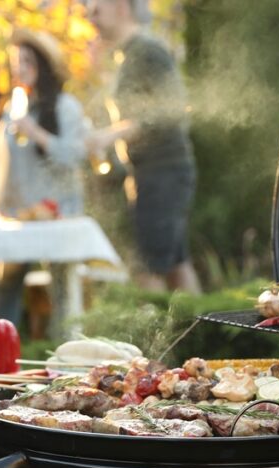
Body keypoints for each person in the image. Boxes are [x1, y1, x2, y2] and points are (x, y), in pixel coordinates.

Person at [85, 0, 201, 294]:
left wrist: (110, 135)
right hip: (153, 175)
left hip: (163, 173)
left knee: (148, 268)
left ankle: (155, 338)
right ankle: (201, 336)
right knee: (176, 264)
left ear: (121, 6)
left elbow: (171, 109)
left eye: (97, 9)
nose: (90, 17)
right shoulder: (127, 56)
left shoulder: (148, 50)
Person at [0, 29, 88, 338]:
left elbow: (75, 155)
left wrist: (38, 135)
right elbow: (4, 164)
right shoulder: (14, 107)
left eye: (28, 60)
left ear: (44, 65)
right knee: (7, 287)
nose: (20, 67)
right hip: (20, 215)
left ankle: (68, 358)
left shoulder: (65, 106)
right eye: (16, 61)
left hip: (58, 211)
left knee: (63, 290)